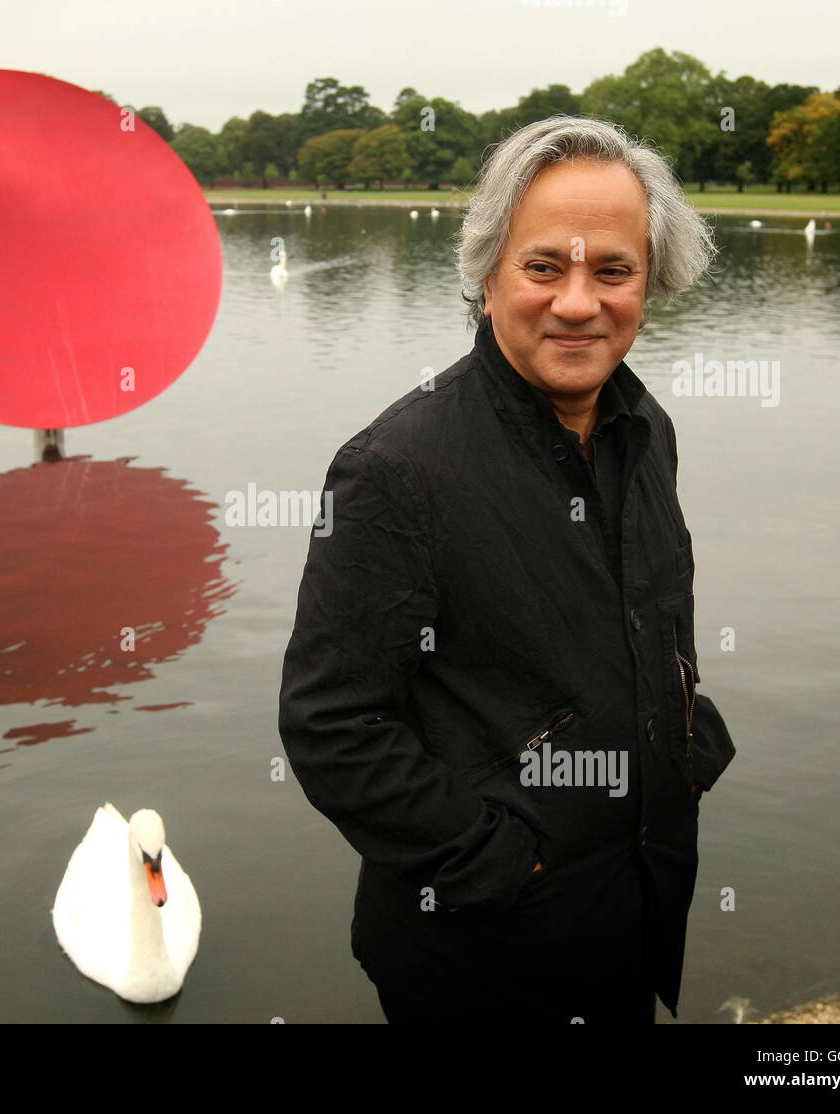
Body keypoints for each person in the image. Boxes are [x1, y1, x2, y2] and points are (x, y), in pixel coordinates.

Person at [277, 115, 736, 1024]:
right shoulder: (398, 470)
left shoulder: (644, 433)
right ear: (488, 276)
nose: (578, 302)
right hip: (480, 948)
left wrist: (688, 740)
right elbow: (333, 725)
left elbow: (655, 626)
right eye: (543, 268)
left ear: (651, 282)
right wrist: (502, 863)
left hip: (631, 902)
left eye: (612, 270)